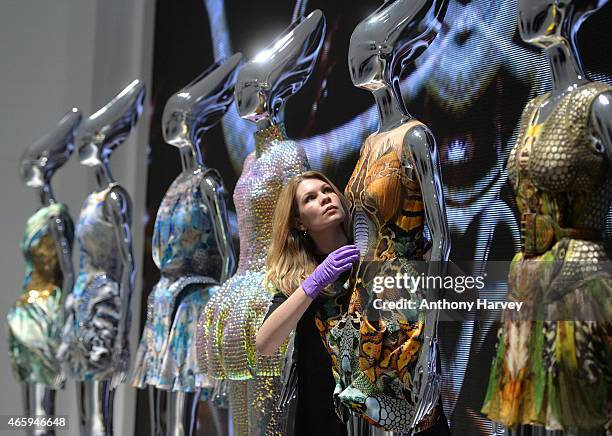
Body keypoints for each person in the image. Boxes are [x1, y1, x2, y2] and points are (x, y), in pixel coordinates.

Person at [256, 170, 359, 436]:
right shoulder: (296, 279)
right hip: (322, 411)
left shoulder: (374, 255)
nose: (325, 199)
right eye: (310, 198)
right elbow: (265, 344)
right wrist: (314, 282)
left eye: (327, 191)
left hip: (374, 405)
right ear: (300, 222)